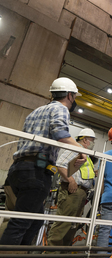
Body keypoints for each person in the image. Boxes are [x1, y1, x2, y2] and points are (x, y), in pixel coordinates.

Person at [0, 77, 87, 245]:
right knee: (21, 223)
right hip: (36, 172)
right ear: (69, 95)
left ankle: (21, 252)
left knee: (35, 220)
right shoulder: (61, 109)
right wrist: (81, 150)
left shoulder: (35, 112)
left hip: (18, 170)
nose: (74, 100)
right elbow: (60, 134)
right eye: (74, 96)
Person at [46, 128, 97, 252]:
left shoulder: (85, 154)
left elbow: (83, 172)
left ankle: (64, 253)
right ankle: (50, 253)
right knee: (64, 223)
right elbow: (60, 164)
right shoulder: (76, 148)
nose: (93, 143)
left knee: (72, 225)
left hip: (80, 193)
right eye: (92, 140)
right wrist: (71, 181)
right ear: (85, 139)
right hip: (72, 191)